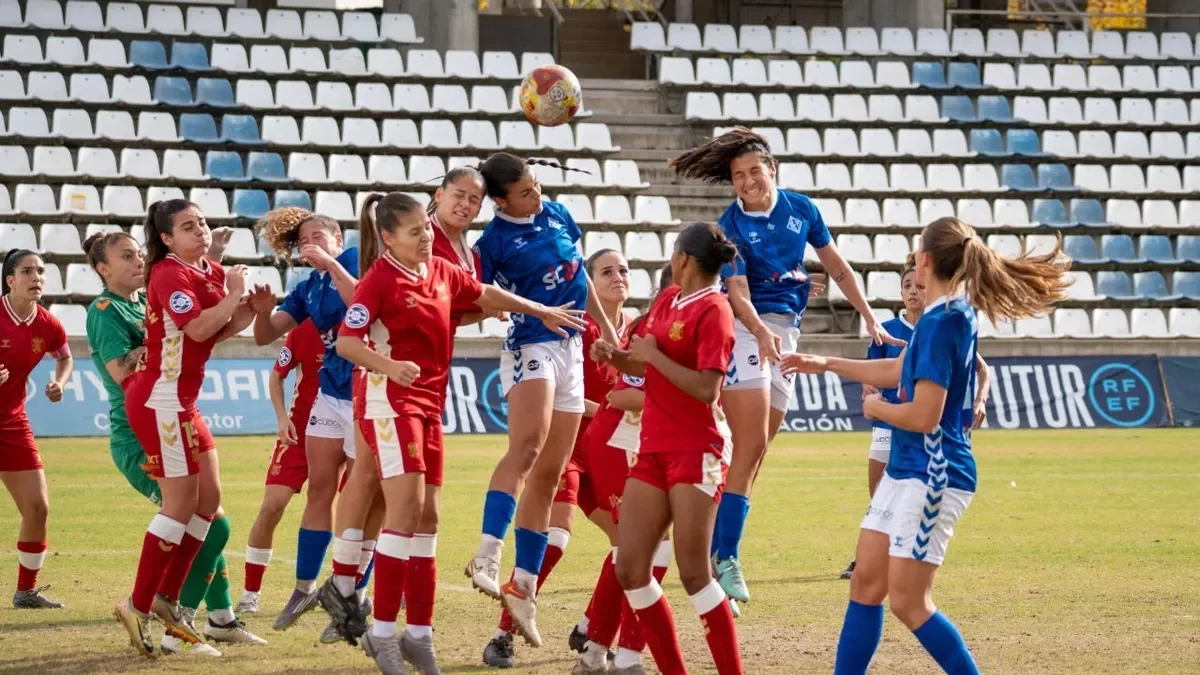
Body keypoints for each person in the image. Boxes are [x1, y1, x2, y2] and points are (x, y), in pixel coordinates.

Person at [781, 217, 1070, 675]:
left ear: (926, 259)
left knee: (909, 604)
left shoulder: (943, 321)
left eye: (917, 249)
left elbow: (924, 415)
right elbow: (898, 371)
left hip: (934, 475)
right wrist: (825, 363)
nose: (914, 255)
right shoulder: (946, 313)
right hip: (905, 469)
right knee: (864, 585)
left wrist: (877, 412)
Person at [331, 192, 585, 674]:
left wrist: (538, 309)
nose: (427, 238)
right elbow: (347, 342)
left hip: (428, 406)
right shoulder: (379, 280)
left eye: (427, 229)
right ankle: (382, 635)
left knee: (428, 521)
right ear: (388, 238)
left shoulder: (439, 270)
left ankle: (419, 636)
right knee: (403, 514)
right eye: (414, 233)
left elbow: (484, 295)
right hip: (391, 405)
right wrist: (390, 365)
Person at [669, 127, 899, 605]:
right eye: (738, 176)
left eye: (755, 171)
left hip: (783, 332)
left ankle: (711, 542)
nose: (748, 181)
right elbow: (738, 292)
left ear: (772, 170)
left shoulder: (802, 208)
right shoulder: (729, 225)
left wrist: (870, 318)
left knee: (754, 452)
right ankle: (725, 556)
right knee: (750, 444)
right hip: (745, 330)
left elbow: (837, 267)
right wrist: (758, 331)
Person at [85, 231, 265, 656]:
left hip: (177, 408)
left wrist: (224, 300)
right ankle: (164, 616)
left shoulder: (147, 298)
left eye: (138, 254)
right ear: (103, 269)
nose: (137, 262)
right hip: (139, 431)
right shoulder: (105, 311)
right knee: (201, 519)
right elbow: (121, 371)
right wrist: (169, 335)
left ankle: (213, 619)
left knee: (207, 516)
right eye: (125, 257)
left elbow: (194, 335)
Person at [463, 152, 617, 647]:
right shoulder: (494, 244)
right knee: (528, 447)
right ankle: (486, 553)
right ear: (501, 200)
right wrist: (534, 311)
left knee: (550, 471)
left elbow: (582, 278)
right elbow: (478, 298)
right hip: (532, 344)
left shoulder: (558, 214)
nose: (538, 196)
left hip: (572, 347)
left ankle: (523, 586)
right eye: (526, 191)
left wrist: (611, 332)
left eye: (537, 186)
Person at [593, 222, 744, 675]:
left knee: (694, 573)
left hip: (697, 450)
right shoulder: (667, 299)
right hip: (653, 447)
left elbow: (707, 388)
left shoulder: (716, 309)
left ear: (683, 258)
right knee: (631, 568)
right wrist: (613, 355)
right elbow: (640, 358)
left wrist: (654, 357)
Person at [485, 248, 631, 668]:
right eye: (606, 272)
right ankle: (502, 635)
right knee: (556, 541)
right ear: (587, 283)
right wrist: (603, 409)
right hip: (565, 449)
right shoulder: (573, 325)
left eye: (623, 270)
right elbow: (560, 394)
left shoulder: (633, 331)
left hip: (607, 454)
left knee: (630, 546)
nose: (618, 276)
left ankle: (591, 629)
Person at [248, 207, 365, 632]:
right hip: (331, 394)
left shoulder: (354, 259)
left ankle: (353, 593)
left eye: (320, 235)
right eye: (304, 240)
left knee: (362, 495)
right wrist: (262, 310)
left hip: (368, 391)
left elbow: (362, 304)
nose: (311, 243)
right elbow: (265, 335)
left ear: (337, 239)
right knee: (320, 489)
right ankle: (303, 587)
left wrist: (331, 263)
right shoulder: (305, 286)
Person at [841, 256, 990, 580]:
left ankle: (883, 553)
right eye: (906, 286)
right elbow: (879, 372)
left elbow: (981, 367)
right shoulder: (890, 330)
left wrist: (980, 398)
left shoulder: (943, 324)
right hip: (888, 421)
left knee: (907, 600)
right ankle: (877, 549)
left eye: (917, 285)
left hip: (921, 422)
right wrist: (867, 387)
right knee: (880, 486)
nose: (912, 291)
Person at [572, 263, 675, 675]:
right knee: (646, 548)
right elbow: (622, 398)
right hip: (617, 443)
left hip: (644, 446)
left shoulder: (685, 327)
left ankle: (596, 650)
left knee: (638, 550)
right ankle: (626, 657)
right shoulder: (651, 330)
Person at [1, 249, 71, 610]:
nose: (37, 277)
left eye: (41, 271)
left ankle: (26, 592)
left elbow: (64, 356)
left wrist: (60, 382)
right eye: (27, 270)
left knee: (38, 507)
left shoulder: (48, 324)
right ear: (10, 280)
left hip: (12, 422)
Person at [238, 318, 324, 612]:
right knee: (271, 507)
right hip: (297, 434)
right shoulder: (302, 331)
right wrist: (281, 417)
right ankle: (250, 593)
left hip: (341, 436)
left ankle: (355, 591)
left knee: (352, 510)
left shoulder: (357, 325)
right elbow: (277, 375)